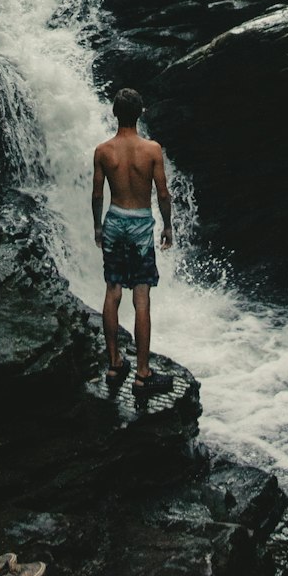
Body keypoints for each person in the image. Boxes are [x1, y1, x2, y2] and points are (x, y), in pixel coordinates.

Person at [92, 86, 174, 397]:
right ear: (140, 113)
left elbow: (98, 194)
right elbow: (163, 194)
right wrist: (167, 226)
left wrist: (98, 228)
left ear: (114, 113)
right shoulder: (152, 149)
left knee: (113, 291)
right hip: (140, 223)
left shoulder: (103, 151)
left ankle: (114, 363)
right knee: (141, 297)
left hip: (114, 219)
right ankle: (142, 373)